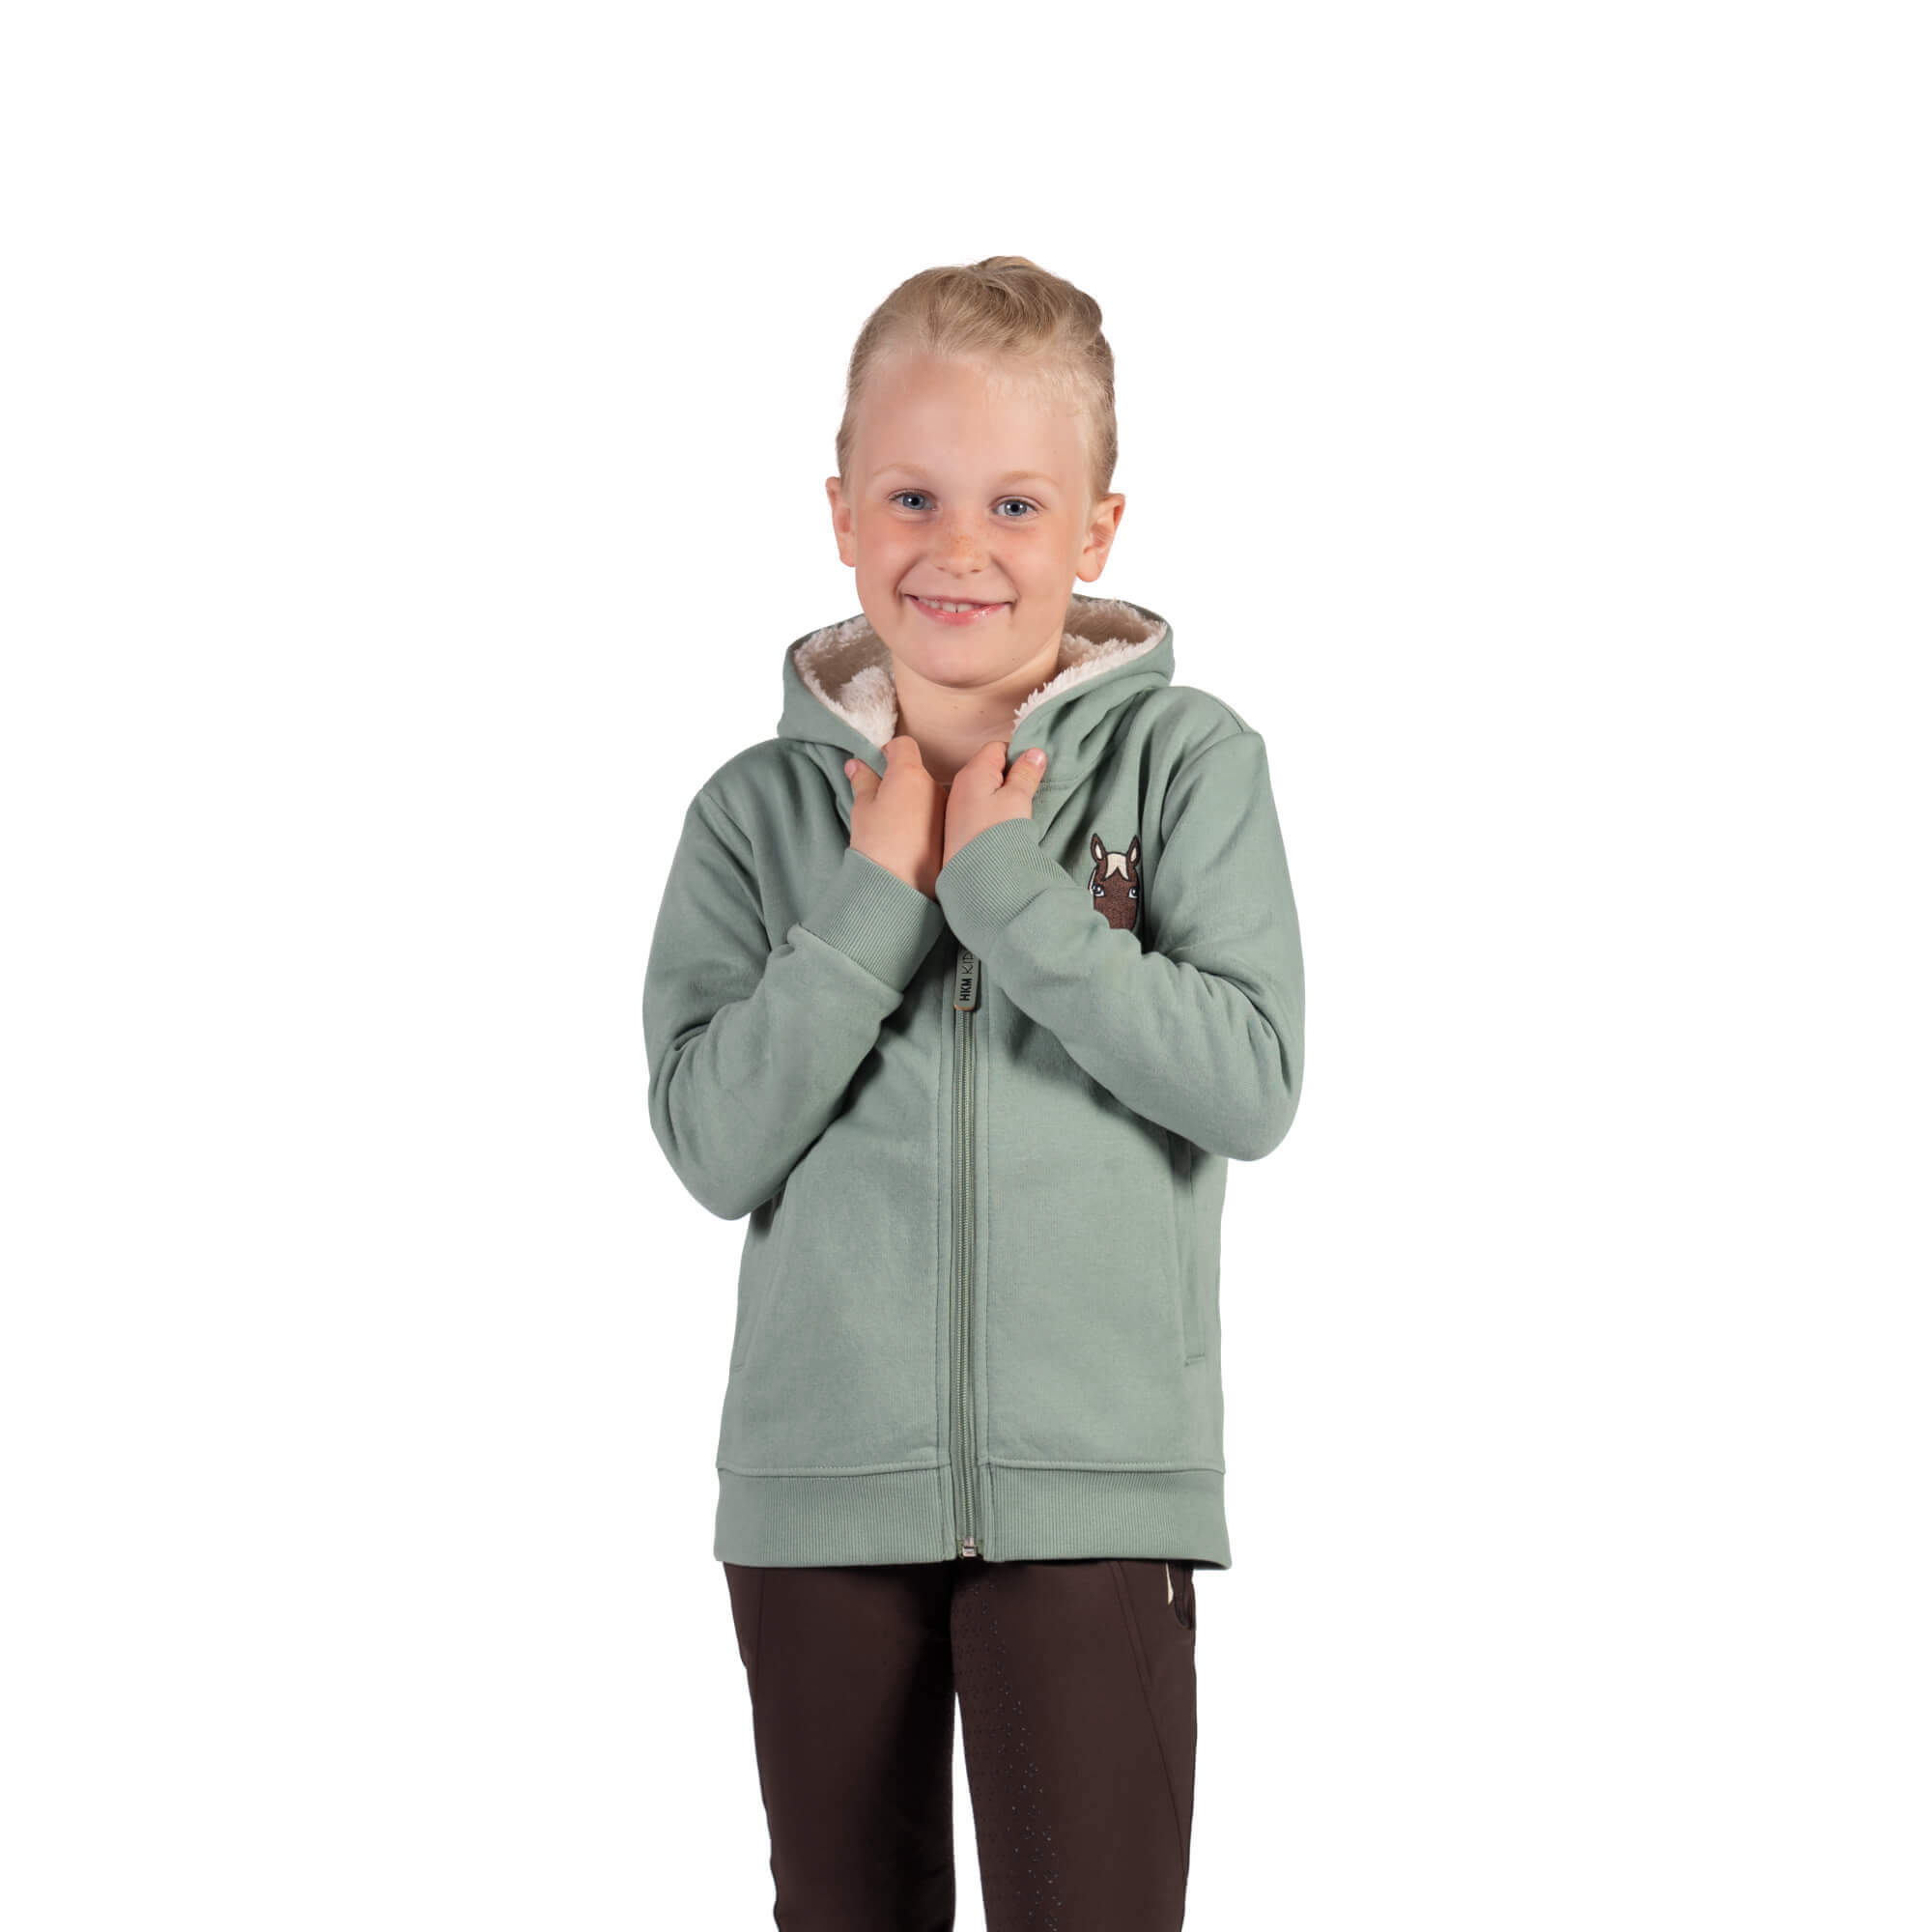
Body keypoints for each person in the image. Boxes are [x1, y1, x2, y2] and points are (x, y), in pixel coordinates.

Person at [641, 255, 1306, 1929]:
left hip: (1097, 1488)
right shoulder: (752, 817)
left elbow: (1248, 1083)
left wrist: (1010, 891)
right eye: (912, 497)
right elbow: (712, 1142)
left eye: (1016, 503)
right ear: (841, 513)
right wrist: (871, 897)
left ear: (1096, 530)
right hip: (816, 1502)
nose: (960, 547)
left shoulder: (1187, 766)